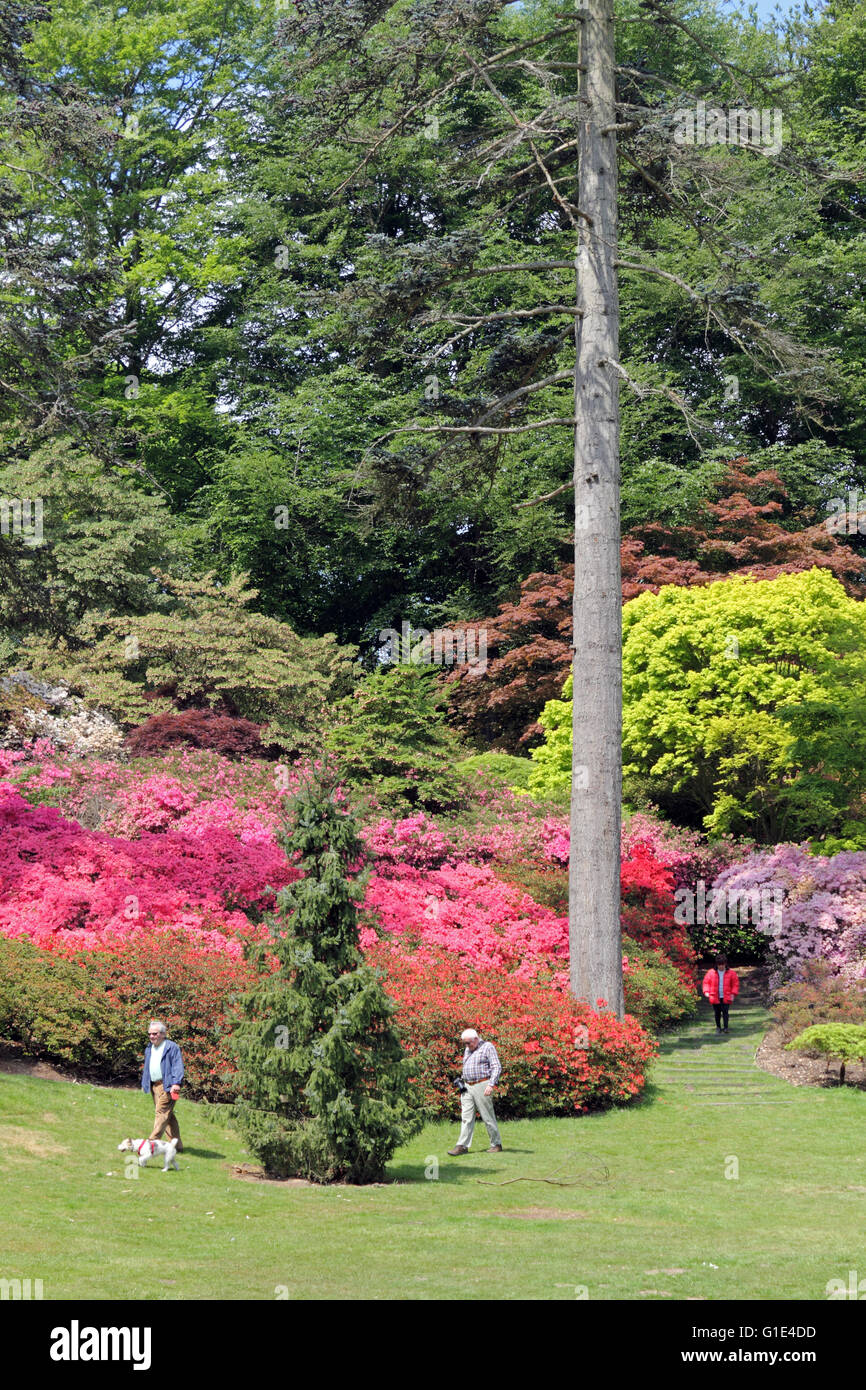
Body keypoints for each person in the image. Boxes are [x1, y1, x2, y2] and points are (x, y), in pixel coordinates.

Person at [447, 1028, 503, 1155]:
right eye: (465, 1043)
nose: (467, 1046)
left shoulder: (488, 1047)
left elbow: (496, 1066)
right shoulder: (468, 1049)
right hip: (467, 1086)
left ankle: (496, 1144)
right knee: (466, 1117)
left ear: (476, 1039)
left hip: (482, 1084)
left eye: (469, 1043)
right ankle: (462, 1146)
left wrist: (491, 1084)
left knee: (487, 1116)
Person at [142, 1020, 184, 1151]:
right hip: (154, 1086)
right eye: (150, 1034)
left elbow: (178, 1066)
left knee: (161, 1113)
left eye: (154, 1034)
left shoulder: (171, 1047)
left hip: (167, 1085)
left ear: (163, 1034)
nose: (151, 1036)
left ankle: (152, 1143)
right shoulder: (149, 1048)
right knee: (168, 1116)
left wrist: (176, 1083)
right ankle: (176, 1146)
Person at [702, 955, 740, 1032]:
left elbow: (735, 984)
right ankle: (718, 1027)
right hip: (715, 996)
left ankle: (726, 1027)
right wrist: (706, 991)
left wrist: (733, 993)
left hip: (726, 996)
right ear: (717, 964)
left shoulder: (731, 973)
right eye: (719, 964)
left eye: (722, 964)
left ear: (725, 964)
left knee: (725, 1012)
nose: (721, 966)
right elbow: (706, 982)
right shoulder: (711, 973)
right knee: (717, 1013)